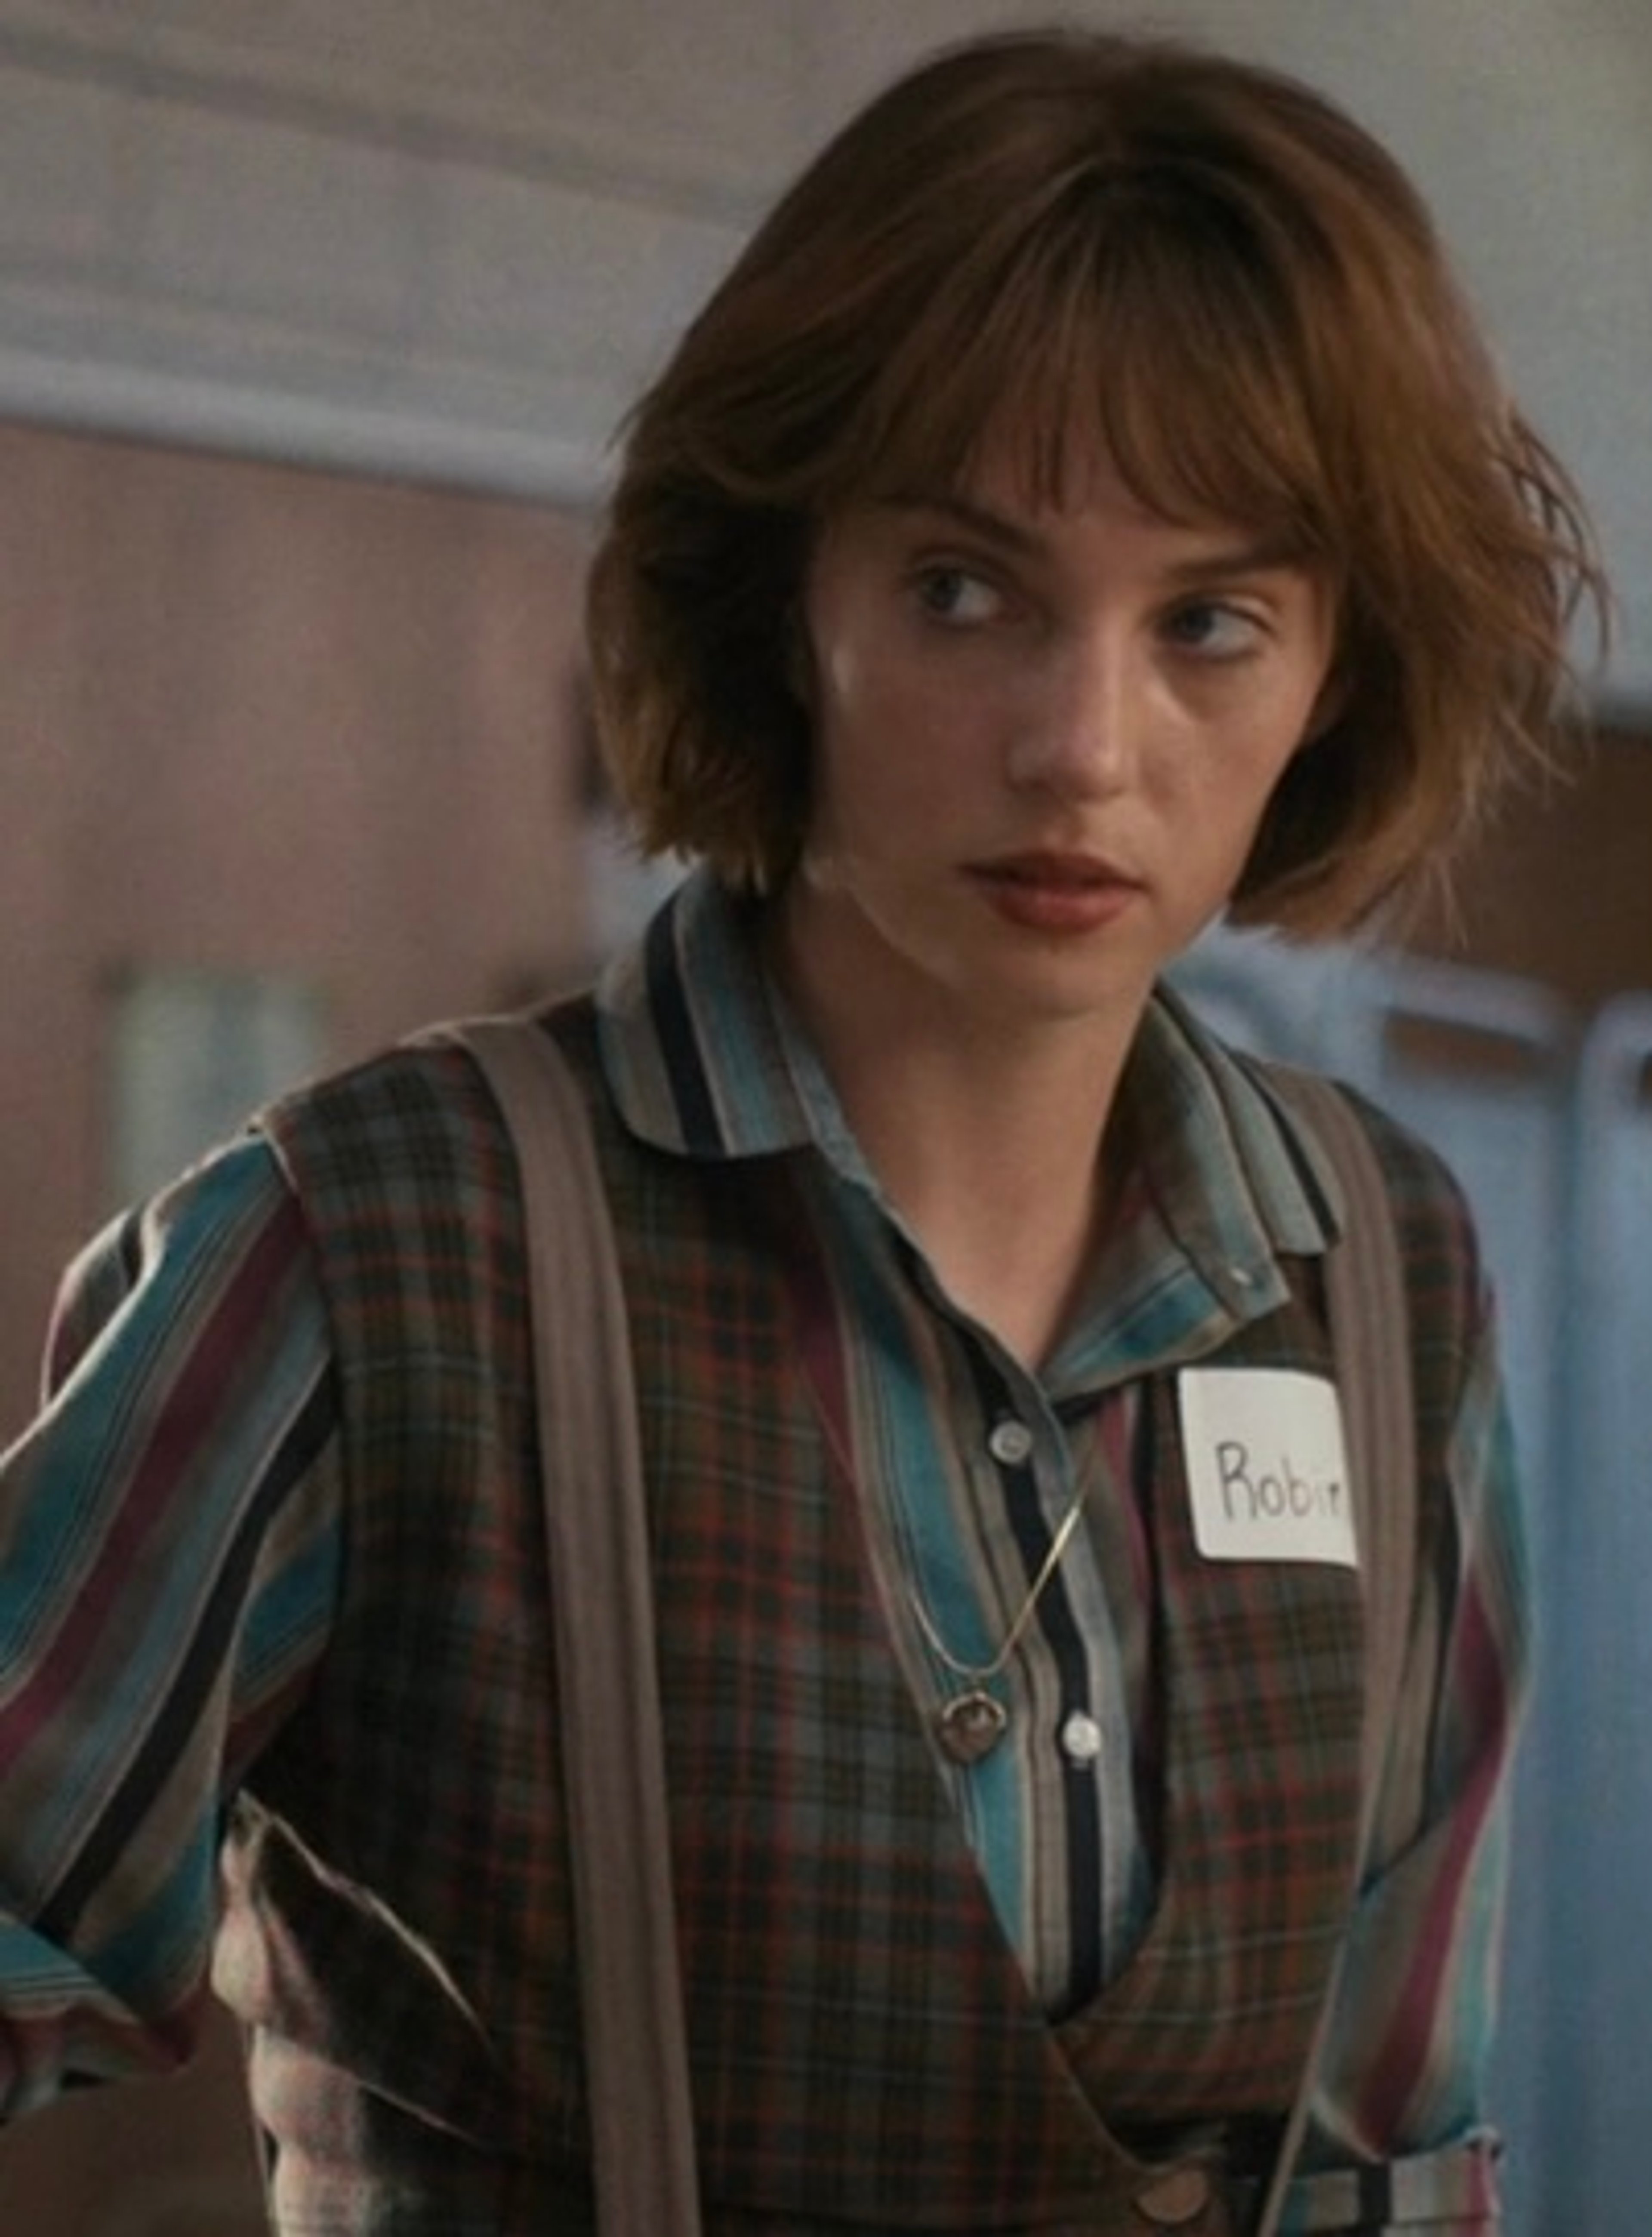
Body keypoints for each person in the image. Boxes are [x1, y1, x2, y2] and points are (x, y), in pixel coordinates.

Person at [0, 26, 1606, 2236]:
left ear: (1335, 673)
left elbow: (1395, 2142)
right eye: (967, 592)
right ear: (792, 600)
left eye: (1210, 622)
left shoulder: (1384, 1261)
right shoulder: (372, 1246)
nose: (1080, 745)